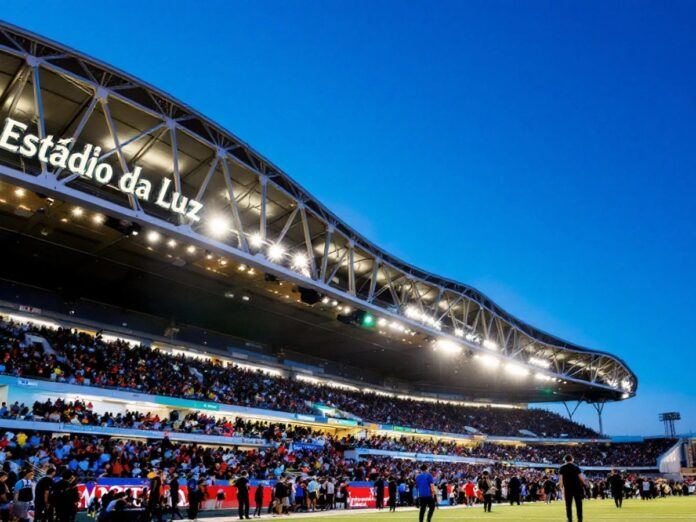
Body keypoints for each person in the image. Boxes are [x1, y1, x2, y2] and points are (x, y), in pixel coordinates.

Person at [559, 454, 586, 522]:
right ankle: (580, 519)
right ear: (572, 459)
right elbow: (581, 478)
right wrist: (584, 484)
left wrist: (561, 488)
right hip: (577, 487)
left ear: (565, 460)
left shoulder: (562, 467)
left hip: (567, 488)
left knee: (568, 505)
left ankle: (569, 519)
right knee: (579, 504)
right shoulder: (576, 467)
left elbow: (561, 479)